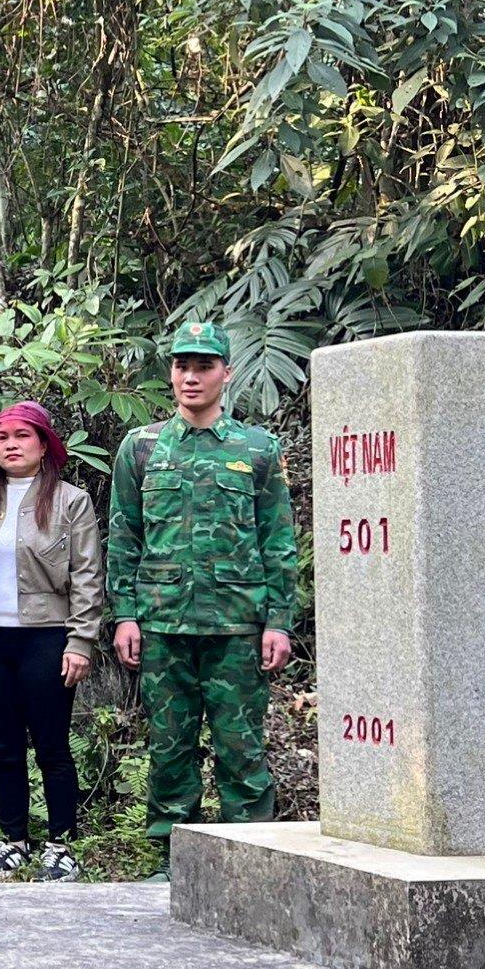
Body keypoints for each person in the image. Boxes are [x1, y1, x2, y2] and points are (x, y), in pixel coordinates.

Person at [107, 319, 298, 874]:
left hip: (237, 626)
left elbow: (279, 540)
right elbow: (125, 536)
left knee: (241, 748)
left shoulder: (257, 449)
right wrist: (125, 615)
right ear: (170, 373)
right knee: (169, 750)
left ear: (226, 373)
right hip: (163, 624)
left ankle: (250, 862)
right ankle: (176, 860)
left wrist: (278, 622)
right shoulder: (141, 448)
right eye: (181, 365)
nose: (191, 377)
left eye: (204, 366)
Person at [0, 401, 105, 882]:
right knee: (4, 746)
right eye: (2, 438)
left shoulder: (71, 501)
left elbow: (88, 577)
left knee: (52, 745)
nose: (11, 445)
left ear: (44, 445)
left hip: (47, 637)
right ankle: (13, 839)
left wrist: (80, 642)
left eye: (22, 436)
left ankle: (62, 843)